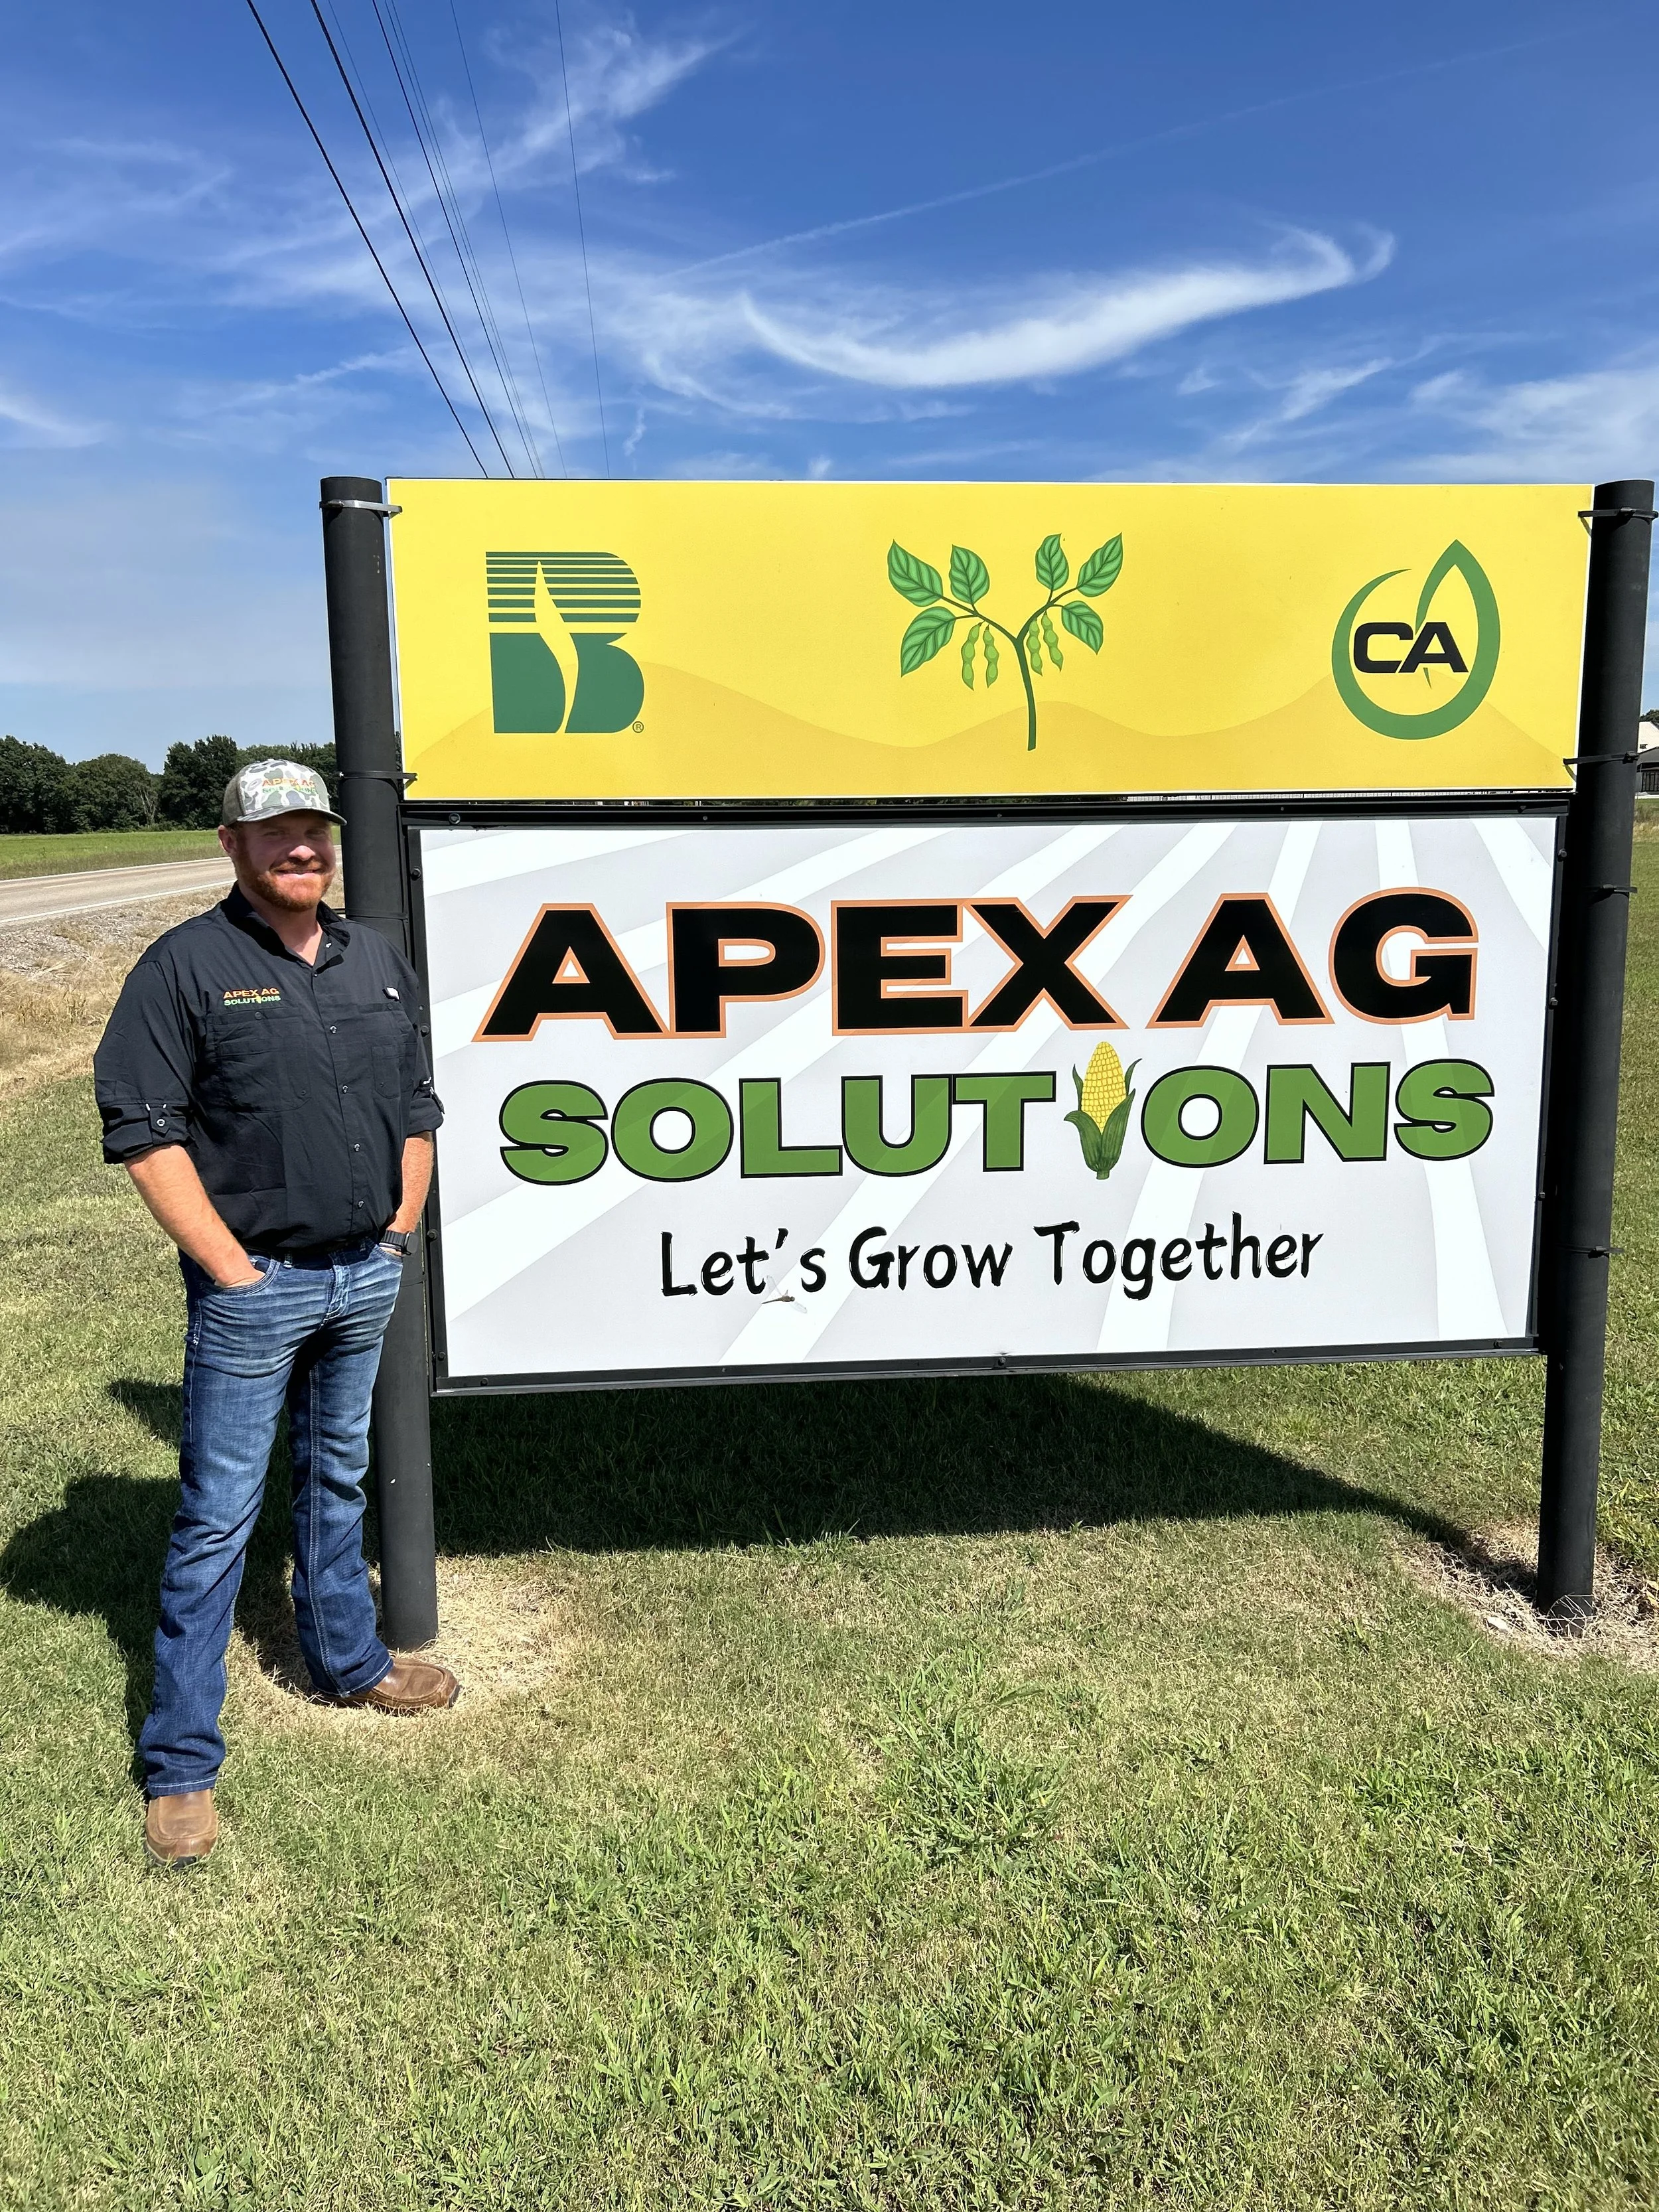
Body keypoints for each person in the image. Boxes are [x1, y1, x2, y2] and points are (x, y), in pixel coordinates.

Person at [94, 759, 458, 1869]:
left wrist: (398, 1225)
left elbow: (416, 1103)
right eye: (276, 833)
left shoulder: (373, 958)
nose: (302, 849)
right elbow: (144, 1135)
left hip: (364, 1274)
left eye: (314, 831)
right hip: (256, 1286)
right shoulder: (185, 969)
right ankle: (182, 1765)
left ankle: (348, 1660)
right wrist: (234, 1275)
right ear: (232, 846)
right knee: (216, 1519)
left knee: (334, 1477)